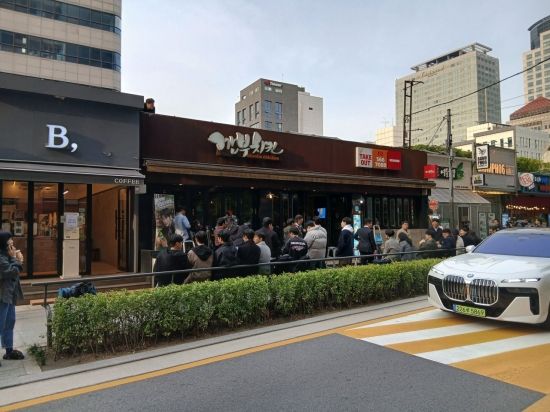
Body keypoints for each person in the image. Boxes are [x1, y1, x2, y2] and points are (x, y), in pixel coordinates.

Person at [0, 232, 25, 364]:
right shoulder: (1, 257)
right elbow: (11, 272)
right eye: (9, 240)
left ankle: (9, 351)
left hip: (9, 294)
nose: (12, 243)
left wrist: (16, 259)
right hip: (2, 296)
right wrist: (17, 259)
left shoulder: (7, 255)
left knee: (10, 322)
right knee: (1, 324)